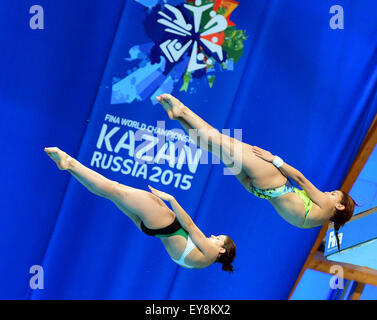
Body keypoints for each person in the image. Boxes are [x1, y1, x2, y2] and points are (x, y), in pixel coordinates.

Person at [156, 94, 356, 250]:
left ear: (338, 207)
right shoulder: (314, 223)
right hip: (257, 189)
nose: (329, 193)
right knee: (213, 146)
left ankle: (183, 111)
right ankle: (179, 116)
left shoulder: (326, 206)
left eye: (333, 194)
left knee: (218, 140)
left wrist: (275, 159)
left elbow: (300, 180)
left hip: (272, 180)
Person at [44, 147, 236, 271]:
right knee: (110, 192)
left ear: (221, 250)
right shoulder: (202, 262)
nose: (212, 236)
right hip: (154, 229)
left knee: (114, 189)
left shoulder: (211, 253)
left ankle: (69, 162)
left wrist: (171, 199)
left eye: (218, 238)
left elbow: (191, 226)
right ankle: (69, 167)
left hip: (165, 223)